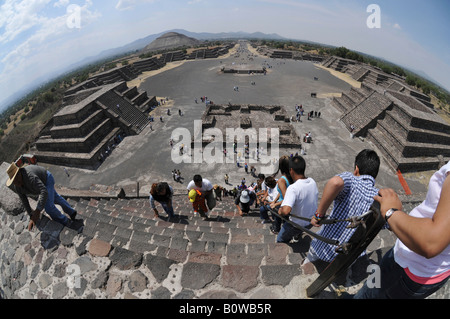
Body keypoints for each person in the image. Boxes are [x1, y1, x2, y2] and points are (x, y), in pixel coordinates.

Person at [354, 161, 450, 299]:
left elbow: (431, 242)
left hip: (412, 269)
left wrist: (390, 212)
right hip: (413, 255)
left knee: (373, 292)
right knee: (372, 285)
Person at [307, 149, 381, 263]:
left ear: (356, 169)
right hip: (346, 258)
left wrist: (318, 215)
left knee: (311, 256)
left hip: (324, 246)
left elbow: (335, 182)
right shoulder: (378, 198)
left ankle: (306, 262)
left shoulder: (352, 180)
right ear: (374, 175)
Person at [6, 162, 77, 230]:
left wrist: (37, 211)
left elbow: (44, 191)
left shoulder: (30, 177)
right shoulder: (17, 187)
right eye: (13, 182)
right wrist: (31, 215)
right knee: (55, 198)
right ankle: (72, 212)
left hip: (46, 179)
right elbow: (24, 200)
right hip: (40, 186)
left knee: (49, 207)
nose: (16, 183)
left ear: (19, 174)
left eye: (16, 180)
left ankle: (65, 222)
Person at [277, 156, 318, 243]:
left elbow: (286, 211)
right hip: (310, 222)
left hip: (295, 225)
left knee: (280, 240)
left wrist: (280, 211)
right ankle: (297, 235)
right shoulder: (312, 181)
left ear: (291, 170)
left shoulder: (293, 188)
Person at [270, 156, 294, 234]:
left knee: (275, 210)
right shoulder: (292, 177)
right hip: (288, 203)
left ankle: (277, 229)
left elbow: (286, 198)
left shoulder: (282, 180)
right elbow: (282, 192)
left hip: (283, 205)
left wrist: (275, 204)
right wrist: (274, 201)